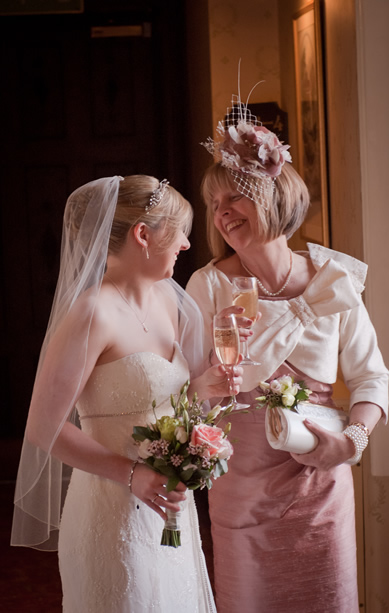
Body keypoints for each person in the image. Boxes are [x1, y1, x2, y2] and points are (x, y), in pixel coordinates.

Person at [186, 101, 389, 612]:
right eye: (214, 202)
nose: (222, 212)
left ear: (273, 195)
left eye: (235, 196)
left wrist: (353, 440)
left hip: (322, 492)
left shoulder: (332, 279)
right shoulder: (208, 285)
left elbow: (371, 378)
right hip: (242, 495)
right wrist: (210, 382)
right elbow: (181, 390)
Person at [11, 174, 242, 612]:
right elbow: (44, 428)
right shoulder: (92, 313)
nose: (187, 246)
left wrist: (202, 386)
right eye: (180, 233)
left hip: (170, 510)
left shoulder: (169, 301)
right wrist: (133, 476)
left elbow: (164, 403)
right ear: (143, 234)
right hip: (111, 512)